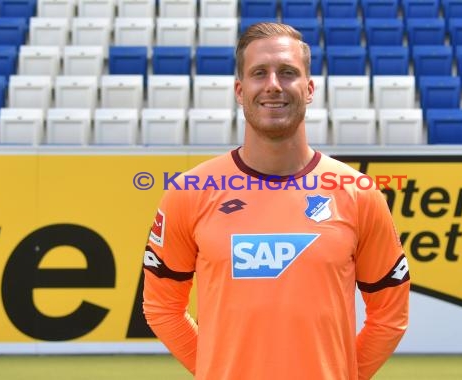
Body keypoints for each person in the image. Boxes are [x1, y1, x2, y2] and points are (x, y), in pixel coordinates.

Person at [142, 22, 410, 380]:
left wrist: (343, 373)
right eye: (259, 73)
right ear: (240, 90)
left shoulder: (359, 193)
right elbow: (162, 307)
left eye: (287, 72)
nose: (273, 85)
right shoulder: (189, 191)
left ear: (309, 88)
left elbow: (390, 314)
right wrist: (215, 370)